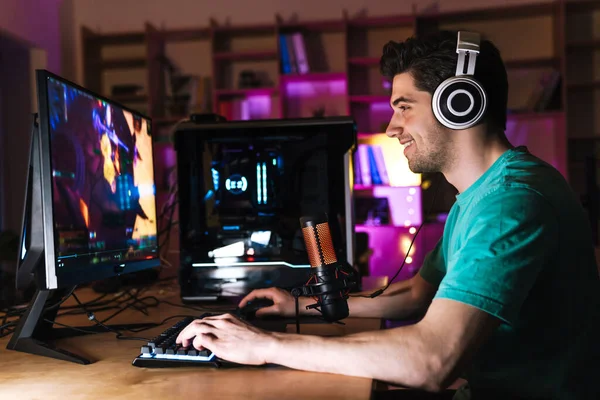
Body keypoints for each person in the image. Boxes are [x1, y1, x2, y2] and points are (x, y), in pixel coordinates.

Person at [176, 30, 600, 399]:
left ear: (460, 102)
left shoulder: (512, 202)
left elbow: (432, 361)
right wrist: (300, 306)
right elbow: (420, 293)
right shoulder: (482, 194)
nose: (393, 127)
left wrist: (264, 346)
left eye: (404, 106)